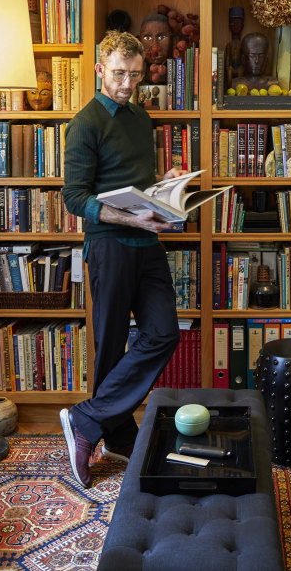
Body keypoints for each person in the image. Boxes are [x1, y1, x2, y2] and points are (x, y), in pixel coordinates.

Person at [60, 30, 181, 489]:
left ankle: (88, 420)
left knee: (163, 332)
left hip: (146, 244)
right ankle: (115, 432)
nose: (127, 84)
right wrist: (131, 221)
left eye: (135, 74)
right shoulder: (85, 123)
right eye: (118, 74)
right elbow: (75, 198)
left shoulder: (140, 116)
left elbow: (137, 187)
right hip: (110, 246)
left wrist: (165, 185)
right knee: (110, 349)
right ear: (99, 70)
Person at [139, 13, 173, 84]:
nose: (155, 44)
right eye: (147, 38)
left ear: (173, 40)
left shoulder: (177, 72)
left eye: (161, 37)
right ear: (139, 41)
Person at [224, 6, 245, 88]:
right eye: (233, 22)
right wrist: (228, 66)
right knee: (229, 73)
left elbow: (244, 57)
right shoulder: (229, 45)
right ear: (229, 25)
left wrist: (242, 66)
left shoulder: (243, 44)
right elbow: (228, 57)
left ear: (242, 25)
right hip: (231, 67)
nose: (235, 25)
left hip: (240, 66)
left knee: (240, 74)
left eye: (238, 22)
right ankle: (230, 89)